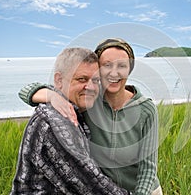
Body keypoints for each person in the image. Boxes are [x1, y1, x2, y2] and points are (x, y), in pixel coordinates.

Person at [19, 38, 163, 195]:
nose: (114, 72)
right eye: (107, 65)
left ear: (129, 70)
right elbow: (25, 91)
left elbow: (148, 169)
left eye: (122, 66)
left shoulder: (146, 109)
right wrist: (52, 96)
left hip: (144, 191)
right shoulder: (89, 99)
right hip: (106, 190)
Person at [11, 47, 130, 195]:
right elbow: (91, 185)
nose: (91, 87)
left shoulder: (71, 109)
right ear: (59, 80)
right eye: (82, 79)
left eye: (96, 80)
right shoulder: (54, 122)